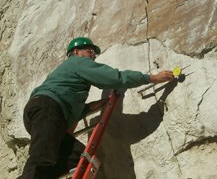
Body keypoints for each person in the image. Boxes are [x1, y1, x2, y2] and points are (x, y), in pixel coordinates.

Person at [18, 37, 174, 179]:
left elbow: (72, 108)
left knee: (78, 158)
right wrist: (152, 78)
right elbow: (115, 77)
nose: (93, 55)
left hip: (48, 113)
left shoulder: (67, 78)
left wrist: (96, 105)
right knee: (41, 159)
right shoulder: (77, 62)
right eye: (90, 51)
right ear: (76, 52)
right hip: (47, 109)